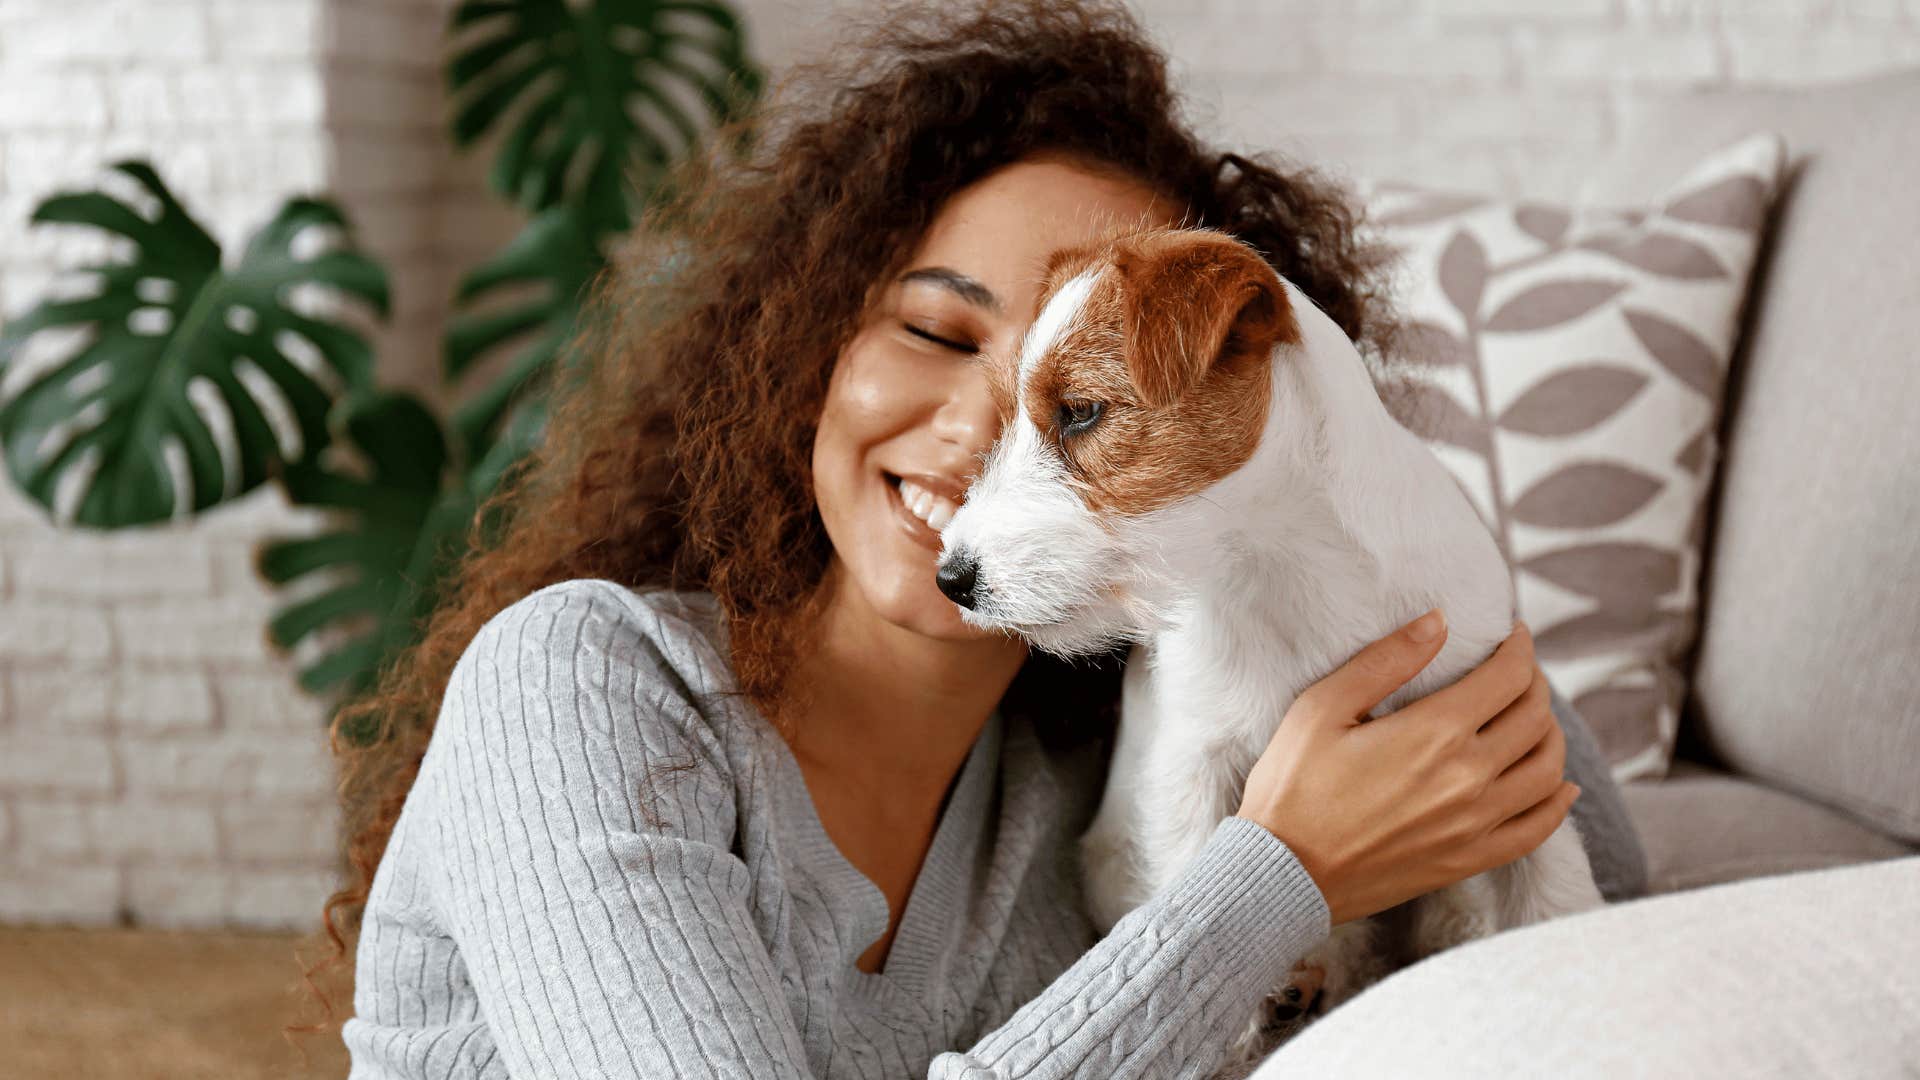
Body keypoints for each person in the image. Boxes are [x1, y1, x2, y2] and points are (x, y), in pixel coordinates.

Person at [321, 2, 1647, 1076]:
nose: (975, 441)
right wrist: (1272, 882)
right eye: (938, 333)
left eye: (1074, 403)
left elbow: (1600, 865)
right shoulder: (579, 688)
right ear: (814, 343)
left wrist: (1390, 602)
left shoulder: (1092, 782)